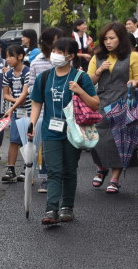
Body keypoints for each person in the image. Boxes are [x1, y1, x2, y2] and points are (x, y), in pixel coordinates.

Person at [28, 37, 99, 225]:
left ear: (71, 56)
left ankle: (67, 207)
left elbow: (95, 103)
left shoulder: (81, 78)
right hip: (50, 131)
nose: (56, 55)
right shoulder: (45, 77)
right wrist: (32, 124)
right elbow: (36, 103)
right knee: (54, 171)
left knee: (69, 170)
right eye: (54, 51)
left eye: (60, 52)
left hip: (73, 132)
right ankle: (51, 209)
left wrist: (79, 91)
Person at [88, 22, 138, 193]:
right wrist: (99, 71)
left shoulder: (132, 56)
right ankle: (101, 167)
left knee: (120, 139)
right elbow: (89, 82)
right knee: (98, 136)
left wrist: (135, 81)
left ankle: (115, 178)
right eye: (105, 39)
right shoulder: (97, 57)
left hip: (124, 101)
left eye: (112, 38)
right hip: (102, 101)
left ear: (121, 39)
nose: (108, 42)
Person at [28, 27, 64, 193]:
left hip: (64, 112)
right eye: (57, 39)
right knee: (45, 146)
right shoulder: (36, 63)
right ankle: (47, 178)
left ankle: (61, 176)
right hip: (44, 113)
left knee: (63, 146)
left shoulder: (67, 61)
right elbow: (30, 89)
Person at [1, 44, 31, 183]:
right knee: (13, 140)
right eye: (6, 56)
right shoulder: (8, 74)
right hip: (16, 110)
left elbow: (25, 94)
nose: (7, 59)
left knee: (27, 140)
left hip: (30, 111)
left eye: (10, 56)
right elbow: (5, 94)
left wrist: (15, 104)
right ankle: (10, 168)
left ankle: (27, 167)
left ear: (20, 56)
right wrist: (15, 102)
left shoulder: (28, 72)